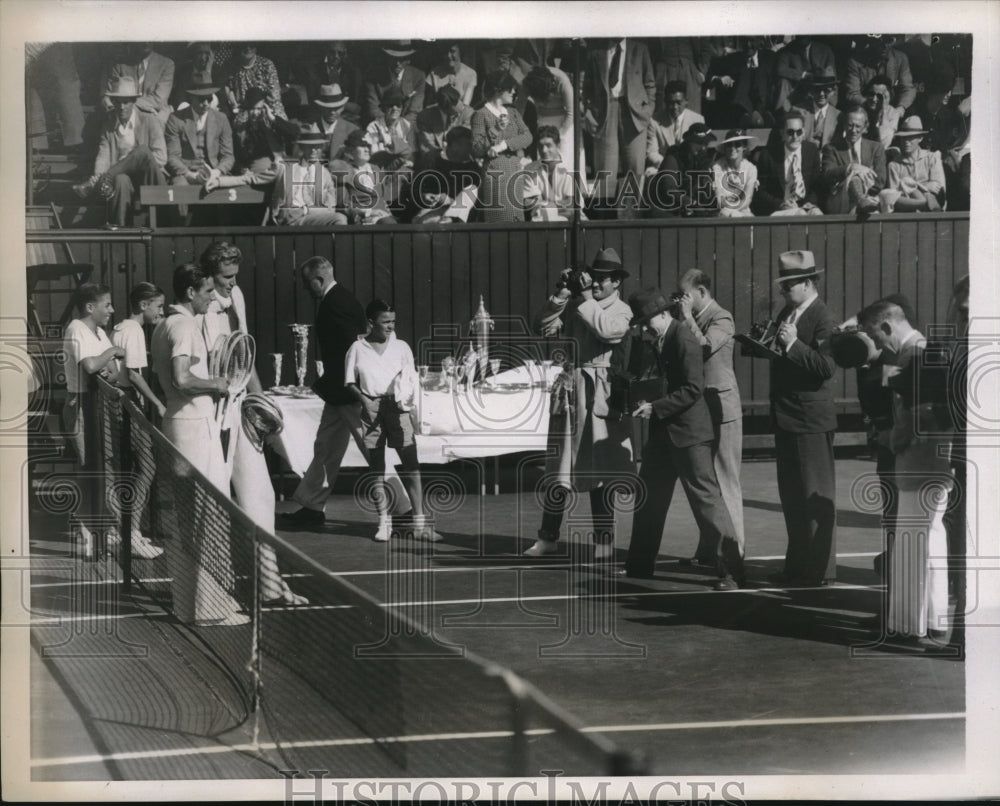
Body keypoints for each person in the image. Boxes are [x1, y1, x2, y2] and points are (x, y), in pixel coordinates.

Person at [200, 242, 307, 605]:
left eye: (234, 277)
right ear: (209, 276)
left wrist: (258, 401)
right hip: (210, 416)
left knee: (260, 497)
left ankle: (271, 583)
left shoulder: (238, 295)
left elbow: (245, 355)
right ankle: (216, 592)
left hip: (239, 409)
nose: (232, 283)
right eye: (225, 277)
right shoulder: (201, 308)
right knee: (213, 504)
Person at [620, 288, 744, 590]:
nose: (646, 328)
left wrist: (655, 407)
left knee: (706, 500)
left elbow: (692, 388)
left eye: (649, 322)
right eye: (642, 324)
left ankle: (732, 572)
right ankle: (639, 565)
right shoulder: (662, 338)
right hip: (666, 432)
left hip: (689, 434)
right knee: (648, 497)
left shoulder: (684, 338)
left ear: (664, 314)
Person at [150, 263, 247, 626]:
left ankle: (190, 606)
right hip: (193, 429)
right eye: (207, 291)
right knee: (209, 517)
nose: (213, 297)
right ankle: (211, 611)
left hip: (179, 426)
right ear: (190, 293)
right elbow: (182, 378)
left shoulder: (164, 324)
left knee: (191, 519)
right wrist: (217, 384)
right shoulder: (185, 325)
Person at [526, 248, 635, 559]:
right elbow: (543, 327)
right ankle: (548, 538)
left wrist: (584, 298)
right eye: (593, 277)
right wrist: (561, 295)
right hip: (572, 392)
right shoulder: (578, 303)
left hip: (600, 394)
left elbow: (608, 331)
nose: (596, 283)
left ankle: (603, 541)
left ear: (617, 282)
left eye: (602, 279)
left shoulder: (622, 310)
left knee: (598, 468)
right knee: (559, 467)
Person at [859, 300, 952, 646]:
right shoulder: (922, 351)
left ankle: (909, 625)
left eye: (876, 337)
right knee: (931, 540)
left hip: (919, 461)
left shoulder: (915, 354)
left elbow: (919, 416)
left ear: (886, 327)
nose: (878, 346)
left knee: (914, 542)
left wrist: (891, 439)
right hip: (932, 462)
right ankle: (934, 617)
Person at [749, 250, 839, 587]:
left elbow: (826, 367)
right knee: (792, 497)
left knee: (815, 499)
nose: (783, 292)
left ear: (807, 283)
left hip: (810, 420)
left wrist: (793, 344)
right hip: (788, 416)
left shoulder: (823, 318)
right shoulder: (790, 311)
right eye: (783, 286)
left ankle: (818, 572)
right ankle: (797, 566)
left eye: (788, 286)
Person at [279, 257, 368, 529]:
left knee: (372, 449)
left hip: (347, 393)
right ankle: (312, 507)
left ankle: (404, 510)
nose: (307, 290)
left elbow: (350, 350)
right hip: (340, 392)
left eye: (309, 284)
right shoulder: (342, 299)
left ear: (319, 279)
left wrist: (349, 388)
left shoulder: (335, 303)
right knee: (326, 448)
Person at [346, 300, 438, 542]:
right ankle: (384, 524)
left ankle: (420, 525)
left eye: (393, 321)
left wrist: (406, 401)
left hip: (398, 410)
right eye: (385, 321)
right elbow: (349, 383)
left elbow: (411, 380)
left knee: (412, 466)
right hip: (371, 409)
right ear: (370, 323)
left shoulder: (402, 347)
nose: (390, 326)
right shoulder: (356, 348)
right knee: (377, 469)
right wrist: (365, 400)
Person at [676, 270, 746, 564]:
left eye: (686, 295)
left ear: (701, 292)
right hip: (702, 409)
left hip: (722, 408)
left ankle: (736, 552)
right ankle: (710, 548)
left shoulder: (722, 317)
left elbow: (703, 346)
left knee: (726, 481)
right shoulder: (692, 316)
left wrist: (685, 319)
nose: (681, 300)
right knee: (704, 483)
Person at [61, 283, 126, 555]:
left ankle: (101, 529)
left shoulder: (98, 332)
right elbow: (91, 366)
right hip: (80, 407)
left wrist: (106, 361)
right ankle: (85, 532)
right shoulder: (76, 328)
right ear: (91, 307)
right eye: (107, 304)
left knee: (103, 468)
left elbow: (113, 372)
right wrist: (110, 354)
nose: (111, 310)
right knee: (88, 469)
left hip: (98, 406)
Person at [109, 282, 166, 560]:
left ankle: (126, 532)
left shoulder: (122, 328)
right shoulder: (133, 331)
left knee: (134, 469)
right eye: (158, 306)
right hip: (128, 403)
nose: (161, 312)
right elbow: (132, 374)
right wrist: (157, 403)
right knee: (147, 467)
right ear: (144, 306)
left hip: (121, 403)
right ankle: (131, 535)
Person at [73, 77, 167, 229]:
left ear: (133, 101)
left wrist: (132, 161)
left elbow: (161, 157)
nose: (121, 107)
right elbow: (103, 156)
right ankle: (120, 230)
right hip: (123, 179)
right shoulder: (109, 125)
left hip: (149, 178)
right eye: (117, 102)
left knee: (142, 151)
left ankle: (96, 183)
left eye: (126, 102)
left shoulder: (149, 120)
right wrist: (99, 175)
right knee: (121, 179)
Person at [581, 38, 656, 213]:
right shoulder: (596, 52)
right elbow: (587, 87)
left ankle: (630, 218)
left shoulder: (640, 49)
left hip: (635, 113)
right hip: (605, 112)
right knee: (605, 169)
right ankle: (604, 219)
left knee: (634, 167)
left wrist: (647, 110)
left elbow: (650, 84)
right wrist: (589, 113)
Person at [471, 70, 533, 223]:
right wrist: (496, 129)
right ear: (499, 90)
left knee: (517, 221)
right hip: (495, 174)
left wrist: (503, 145)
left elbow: (528, 137)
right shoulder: (480, 114)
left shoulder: (513, 112)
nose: (514, 92)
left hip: (514, 172)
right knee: (500, 222)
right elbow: (477, 149)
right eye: (510, 88)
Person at [164, 81, 235, 197]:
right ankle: (180, 216)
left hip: (214, 171)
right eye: (202, 100)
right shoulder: (175, 119)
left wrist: (217, 172)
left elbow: (228, 155)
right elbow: (172, 156)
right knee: (179, 189)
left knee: (230, 190)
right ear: (192, 98)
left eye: (209, 99)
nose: (206, 104)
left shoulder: (221, 119)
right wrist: (189, 175)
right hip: (186, 173)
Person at [271, 125, 348, 226]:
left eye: (317, 147)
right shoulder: (289, 169)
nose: (313, 151)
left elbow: (331, 207)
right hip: (291, 219)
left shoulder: (324, 173)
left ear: (321, 149)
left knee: (340, 218)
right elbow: (279, 201)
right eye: (309, 147)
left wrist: (306, 210)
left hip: (314, 217)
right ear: (302, 148)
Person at [752, 111, 823, 217]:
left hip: (805, 205)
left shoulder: (811, 151)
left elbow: (816, 185)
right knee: (800, 214)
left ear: (803, 132)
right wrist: (780, 204)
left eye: (799, 132)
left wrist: (809, 203)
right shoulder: (768, 155)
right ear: (782, 133)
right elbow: (761, 191)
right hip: (780, 209)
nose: (795, 136)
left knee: (817, 215)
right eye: (790, 132)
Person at [406, 125, 480, 224]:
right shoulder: (431, 159)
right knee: (429, 222)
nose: (471, 149)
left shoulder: (472, 167)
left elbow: (473, 200)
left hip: (459, 215)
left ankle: (449, 219)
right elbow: (414, 188)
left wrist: (448, 200)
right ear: (454, 145)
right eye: (468, 145)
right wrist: (424, 196)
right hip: (429, 210)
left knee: (471, 189)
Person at [820, 105, 886, 215]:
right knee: (854, 176)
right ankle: (861, 201)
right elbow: (827, 174)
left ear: (865, 127)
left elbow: (880, 180)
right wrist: (850, 167)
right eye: (850, 125)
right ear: (844, 125)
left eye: (858, 126)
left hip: (870, 197)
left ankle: (862, 202)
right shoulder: (831, 148)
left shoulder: (876, 148)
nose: (853, 130)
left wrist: (866, 192)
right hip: (840, 200)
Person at [643, 122, 717, 218]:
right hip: (664, 209)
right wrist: (691, 203)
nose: (703, 147)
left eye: (705, 144)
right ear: (689, 142)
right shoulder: (673, 157)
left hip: (686, 209)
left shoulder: (701, 160)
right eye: (699, 143)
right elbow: (668, 189)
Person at [230, 85, 298, 186]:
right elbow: (237, 156)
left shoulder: (271, 124)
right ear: (247, 109)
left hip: (279, 164)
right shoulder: (241, 128)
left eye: (259, 108)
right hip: (259, 169)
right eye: (252, 109)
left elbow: (295, 133)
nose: (255, 113)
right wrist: (243, 170)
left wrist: (273, 118)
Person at [877, 116, 946, 213]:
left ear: (920, 138)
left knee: (906, 182)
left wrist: (913, 188)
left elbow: (939, 188)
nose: (906, 142)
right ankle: (924, 205)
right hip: (908, 209)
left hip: (932, 204)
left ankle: (926, 205)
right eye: (903, 138)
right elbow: (896, 196)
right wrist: (922, 185)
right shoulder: (894, 165)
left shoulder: (932, 157)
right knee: (887, 194)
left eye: (911, 138)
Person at [703, 37, 776, 129]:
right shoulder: (732, 59)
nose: (748, 45)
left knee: (760, 73)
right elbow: (709, 74)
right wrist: (719, 78)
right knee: (743, 71)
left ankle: (758, 115)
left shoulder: (770, 57)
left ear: (759, 41)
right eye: (745, 41)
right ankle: (746, 116)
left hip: (764, 106)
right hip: (739, 109)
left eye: (752, 41)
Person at [330, 129, 397, 225]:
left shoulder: (376, 168)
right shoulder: (343, 171)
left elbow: (404, 153)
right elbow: (343, 204)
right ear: (351, 150)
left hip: (383, 217)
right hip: (361, 219)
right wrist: (366, 213)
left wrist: (388, 141)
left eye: (368, 146)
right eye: (362, 146)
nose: (367, 149)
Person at [101, 42, 175, 124]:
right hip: (125, 115)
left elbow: (158, 100)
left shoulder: (166, 64)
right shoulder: (120, 64)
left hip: (156, 114)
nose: (146, 41)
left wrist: (129, 104)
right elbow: (110, 95)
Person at [523, 125, 584, 222]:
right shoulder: (529, 169)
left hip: (573, 222)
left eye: (548, 145)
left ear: (558, 145)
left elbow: (572, 206)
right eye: (540, 146)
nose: (544, 150)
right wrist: (555, 206)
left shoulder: (571, 167)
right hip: (542, 221)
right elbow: (531, 204)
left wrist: (547, 206)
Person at [845, 36, 915, 118]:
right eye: (879, 42)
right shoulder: (855, 61)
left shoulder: (900, 58)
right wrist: (873, 105)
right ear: (870, 41)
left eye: (888, 41)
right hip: (865, 109)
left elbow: (908, 88)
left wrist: (901, 107)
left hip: (892, 110)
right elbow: (852, 93)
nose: (884, 46)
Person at [645, 80, 706, 174]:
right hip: (662, 167)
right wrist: (670, 166)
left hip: (689, 169)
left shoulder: (697, 119)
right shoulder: (654, 120)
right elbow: (652, 153)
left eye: (678, 102)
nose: (675, 107)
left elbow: (700, 151)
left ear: (686, 101)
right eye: (671, 102)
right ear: (665, 101)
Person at [366, 41, 426, 126]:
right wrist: (387, 126)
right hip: (380, 125)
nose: (397, 63)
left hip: (407, 126)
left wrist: (400, 128)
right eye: (394, 58)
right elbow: (373, 109)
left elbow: (415, 111)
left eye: (402, 59)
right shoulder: (373, 76)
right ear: (387, 57)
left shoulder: (418, 76)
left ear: (408, 60)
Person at [415, 85, 474, 169]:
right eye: (456, 112)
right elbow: (427, 148)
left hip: (459, 162)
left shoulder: (468, 113)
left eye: (459, 100)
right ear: (444, 109)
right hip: (436, 162)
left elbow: (464, 145)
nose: (462, 107)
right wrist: (442, 155)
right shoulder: (425, 116)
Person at [225, 43, 285, 119]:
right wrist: (234, 104)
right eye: (244, 45)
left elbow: (274, 95)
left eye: (251, 45)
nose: (248, 48)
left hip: (267, 107)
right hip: (244, 110)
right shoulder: (233, 67)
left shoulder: (267, 65)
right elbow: (229, 88)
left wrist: (261, 109)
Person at [710, 129, 757, 217]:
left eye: (738, 145)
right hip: (723, 212)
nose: (732, 148)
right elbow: (719, 197)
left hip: (743, 211)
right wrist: (731, 211)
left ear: (744, 148)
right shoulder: (717, 167)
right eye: (729, 145)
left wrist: (735, 212)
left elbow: (747, 198)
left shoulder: (751, 168)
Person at [310, 83, 360, 163]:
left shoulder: (352, 130)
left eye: (336, 108)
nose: (332, 112)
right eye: (328, 108)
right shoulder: (309, 128)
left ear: (342, 108)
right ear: (320, 107)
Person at [425, 42, 477, 107]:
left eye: (452, 51)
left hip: (460, 114)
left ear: (460, 52)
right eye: (445, 52)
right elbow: (428, 105)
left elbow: (465, 106)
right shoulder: (434, 73)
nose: (448, 55)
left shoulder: (471, 74)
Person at [799, 75, 841, 150]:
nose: (821, 94)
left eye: (826, 90)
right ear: (811, 91)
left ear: (833, 92)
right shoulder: (799, 111)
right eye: (817, 90)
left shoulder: (839, 116)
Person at [861, 75, 901, 150]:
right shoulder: (860, 110)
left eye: (879, 96)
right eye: (871, 94)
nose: (874, 99)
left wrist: (883, 110)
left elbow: (884, 141)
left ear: (887, 97)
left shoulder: (893, 113)